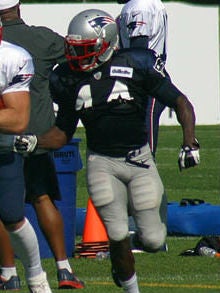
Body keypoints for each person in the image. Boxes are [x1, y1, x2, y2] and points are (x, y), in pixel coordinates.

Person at [17, 9, 200, 293]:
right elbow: (63, 132)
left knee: (153, 240)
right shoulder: (68, 79)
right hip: (101, 162)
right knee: (116, 234)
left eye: (86, 49)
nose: (78, 57)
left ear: (108, 43)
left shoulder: (137, 63)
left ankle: (124, 260)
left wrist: (190, 141)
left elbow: (180, 102)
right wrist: (35, 142)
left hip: (139, 159)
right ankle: (131, 287)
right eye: (75, 50)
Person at [0, 0, 84, 290]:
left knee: (4, 209)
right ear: (18, 7)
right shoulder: (42, 38)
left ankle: (9, 271)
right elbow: (77, 56)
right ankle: (63, 267)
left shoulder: (8, 48)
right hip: (37, 132)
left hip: (6, 132)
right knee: (42, 197)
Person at [0, 18, 53, 293]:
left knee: (12, 216)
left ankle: (36, 277)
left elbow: (18, 119)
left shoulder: (12, 57)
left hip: (2, 148)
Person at [116, 0, 168, 241]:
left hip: (144, 87)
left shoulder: (139, 6)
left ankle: (149, 230)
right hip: (145, 85)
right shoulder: (144, 4)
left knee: (143, 159)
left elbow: (138, 52)